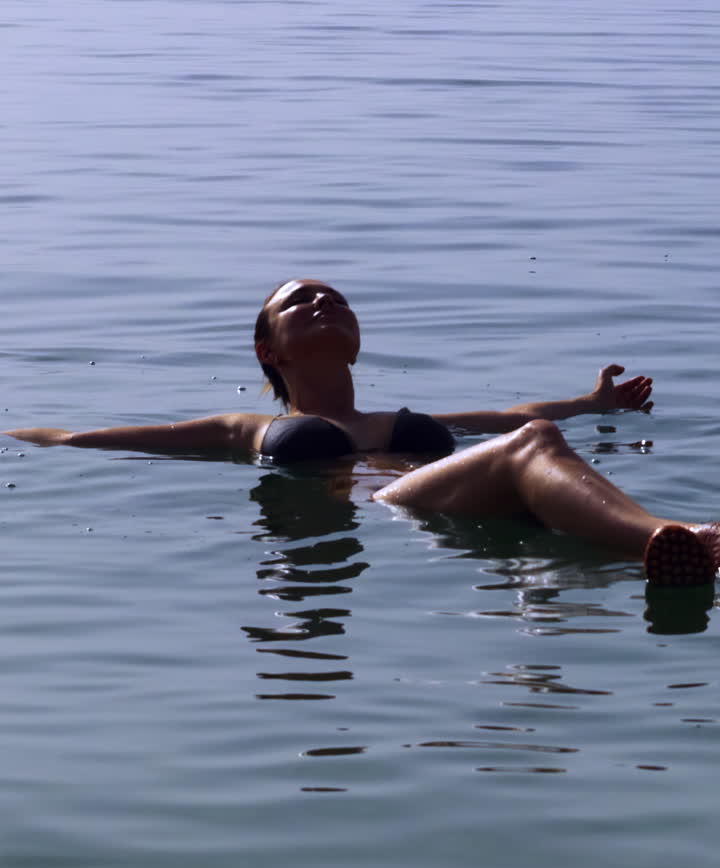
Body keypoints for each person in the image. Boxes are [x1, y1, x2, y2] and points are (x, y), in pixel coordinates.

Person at [7, 278, 720, 588]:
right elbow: (93, 440)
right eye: (301, 301)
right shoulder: (247, 428)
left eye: (337, 299)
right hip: (394, 513)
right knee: (533, 443)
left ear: (356, 338)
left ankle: (668, 546)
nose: (324, 303)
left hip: (464, 505)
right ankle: (672, 537)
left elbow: (507, 418)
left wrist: (594, 402)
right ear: (269, 350)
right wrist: (23, 435)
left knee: (533, 440)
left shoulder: (411, 419)